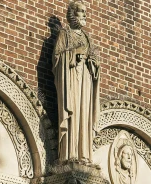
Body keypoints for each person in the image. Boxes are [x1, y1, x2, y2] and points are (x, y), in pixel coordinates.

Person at [53, 1, 100, 162]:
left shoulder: (87, 38)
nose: (85, 14)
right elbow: (57, 59)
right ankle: (70, 153)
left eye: (85, 12)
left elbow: (95, 61)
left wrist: (92, 62)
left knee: (84, 115)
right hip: (71, 80)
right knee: (73, 114)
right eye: (81, 11)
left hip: (86, 81)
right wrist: (73, 55)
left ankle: (84, 154)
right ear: (72, 14)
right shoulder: (64, 34)